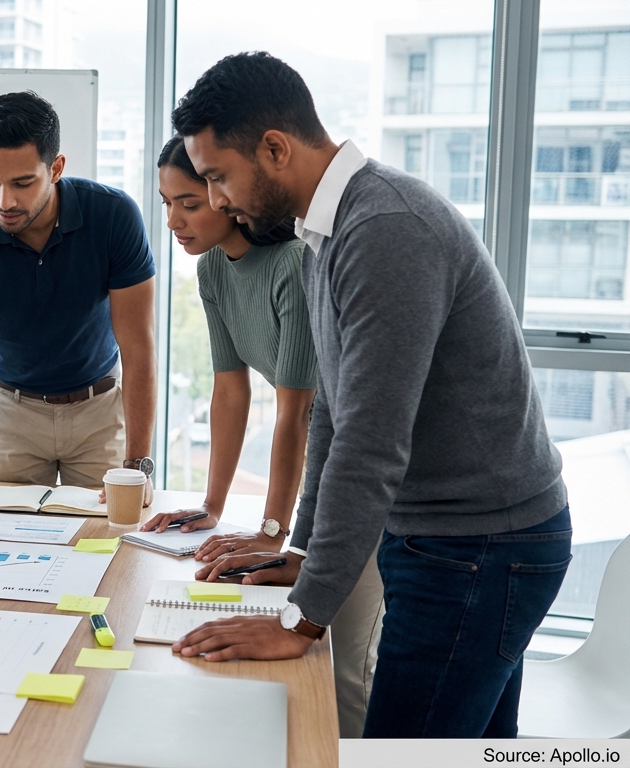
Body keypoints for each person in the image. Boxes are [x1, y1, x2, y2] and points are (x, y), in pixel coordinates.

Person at [168, 52, 570, 739]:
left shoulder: (385, 230)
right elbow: (334, 409)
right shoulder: (329, 230)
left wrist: (305, 617)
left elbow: (371, 442)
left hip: (479, 550)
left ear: (274, 148)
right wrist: (300, 550)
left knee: (400, 753)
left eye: (217, 177)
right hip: (454, 542)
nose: (215, 201)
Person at [144, 135, 385, 739]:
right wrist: (212, 507)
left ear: (227, 197)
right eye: (166, 203)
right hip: (325, 493)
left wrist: (276, 532)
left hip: (362, 493)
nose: (173, 220)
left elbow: (299, 410)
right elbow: (230, 392)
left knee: (344, 670)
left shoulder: (291, 265)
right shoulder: (211, 273)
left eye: (190, 203)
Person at [0, 91, 157, 548]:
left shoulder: (114, 217)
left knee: (111, 546)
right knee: (5, 549)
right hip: (10, 415)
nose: (3, 200)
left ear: (56, 168)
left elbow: (140, 349)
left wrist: (139, 462)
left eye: (23, 183)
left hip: (99, 412)